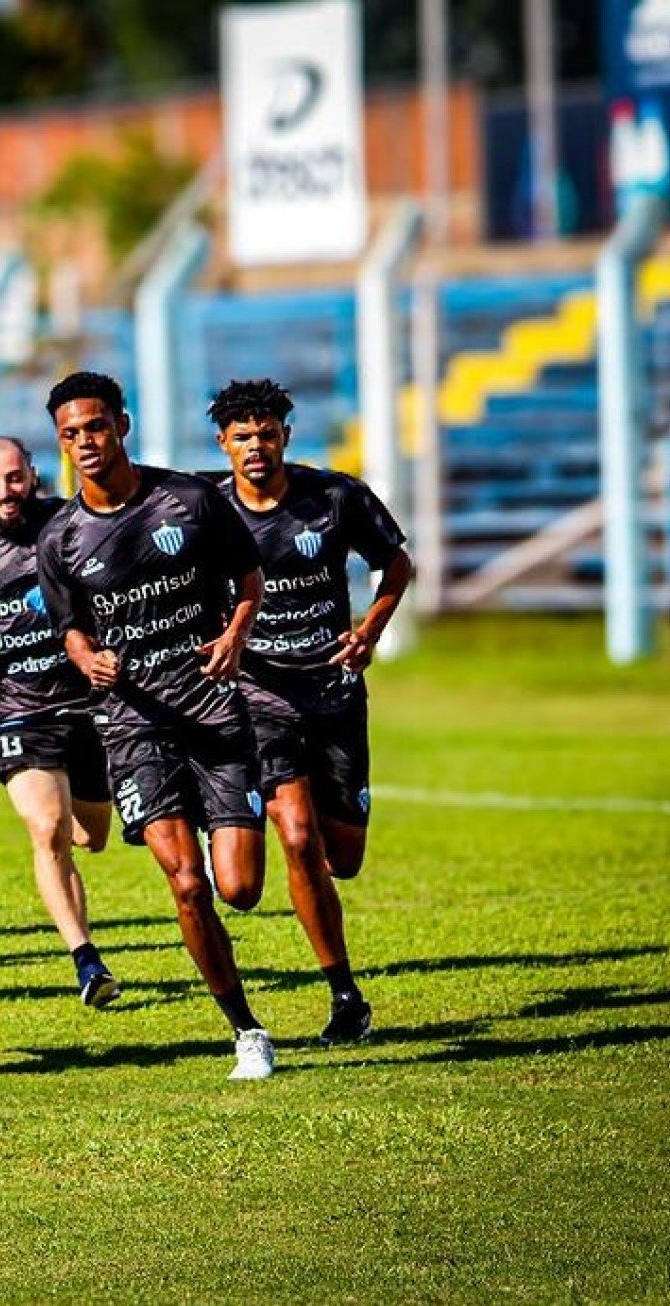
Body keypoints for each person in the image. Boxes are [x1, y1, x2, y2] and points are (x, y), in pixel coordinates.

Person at [33, 371, 277, 1082]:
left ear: (123, 425)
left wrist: (235, 634)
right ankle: (246, 1030)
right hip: (133, 726)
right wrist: (88, 658)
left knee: (239, 887)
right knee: (188, 884)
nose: (86, 442)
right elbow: (70, 630)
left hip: (211, 709)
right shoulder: (62, 539)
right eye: (72, 433)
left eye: (97, 426)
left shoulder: (191, 499)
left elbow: (250, 578)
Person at [212, 378, 412, 1044]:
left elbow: (396, 563)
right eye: (242, 436)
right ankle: (345, 993)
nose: (255, 447)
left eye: (266, 434)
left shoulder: (334, 497)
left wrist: (371, 628)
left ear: (285, 438)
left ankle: (318, 866)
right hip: (261, 699)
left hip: (334, 696)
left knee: (342, 856)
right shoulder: (208, 510)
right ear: (224, 443)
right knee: (295, 833)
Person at [0, 436, 120, 1008]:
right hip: (21, 709)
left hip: (89, 701)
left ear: (33, 475)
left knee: (90, 835)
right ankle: (87, 961)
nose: (4, 492)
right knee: (48, 829)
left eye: (13, 478)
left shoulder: (70, 525)